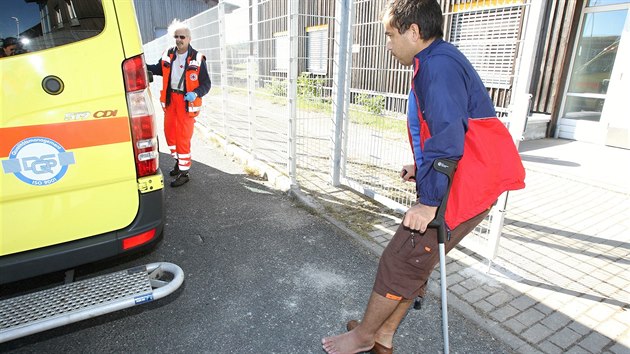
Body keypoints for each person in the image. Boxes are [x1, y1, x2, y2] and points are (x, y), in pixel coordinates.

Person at [322, 1, 525, 353]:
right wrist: (421, 166)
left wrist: (429, 201)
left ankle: (363, 337)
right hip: (469, 176)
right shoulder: (437, 58)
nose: (387, 43)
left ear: (413, 31)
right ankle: (383, 335)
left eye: (390, 35)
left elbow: (447, 137)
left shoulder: (438, 66)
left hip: (465, 186)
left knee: (401, 259)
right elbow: (448, 130)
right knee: (416, 263)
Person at [147, 20, 211, 187]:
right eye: (176, 36)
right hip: (170, 101)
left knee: (182, 137)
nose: (179, 39)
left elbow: (206, 84)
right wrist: (140, 65)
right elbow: (158, 69)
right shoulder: (169, 53)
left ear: (189, 38)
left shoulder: (197, 57)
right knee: (169, 134)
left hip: (186, 102)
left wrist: (195, 93)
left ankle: (184, 172)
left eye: (182, 36)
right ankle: (178, 161)